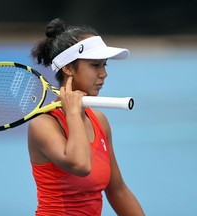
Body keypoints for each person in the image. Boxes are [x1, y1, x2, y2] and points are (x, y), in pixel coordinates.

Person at [28, 18, 144, 216]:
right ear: (68, 68)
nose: (104, 73)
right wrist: (73, 113)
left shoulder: (99, 120)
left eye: (104, 65)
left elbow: (118, 191)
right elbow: (81, 164)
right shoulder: (43, 125)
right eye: (95, 65)